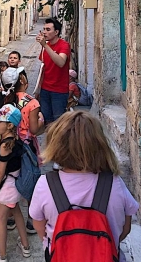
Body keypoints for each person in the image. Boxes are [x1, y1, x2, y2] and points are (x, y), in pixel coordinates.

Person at [29, 111, 139, 262]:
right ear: (100, 145)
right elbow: (125, 229)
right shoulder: (114, 184)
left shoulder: (45, 185)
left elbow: (39, 226)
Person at [3, 66, 44, 233]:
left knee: (12, 178)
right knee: (30, 179)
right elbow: (34, 130)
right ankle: (30, 220)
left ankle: (11, 217)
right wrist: (43, 123)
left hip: (10, 145)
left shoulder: (7, 100)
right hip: (26, 147)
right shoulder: (32, 103)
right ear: (22, 81)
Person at [0, 104, 31, 262]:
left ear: (10, 125)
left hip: (7, 186)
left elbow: (0, 172)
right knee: (18, 213)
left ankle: (2, 254)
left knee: (1, 219)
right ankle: (25, 247)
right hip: (16, 184)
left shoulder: (5, 146)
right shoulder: (16, 139)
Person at [35, 18, 71, 124]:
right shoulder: (46, 46)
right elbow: (43, 68)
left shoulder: (64, 45)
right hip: (45, 90)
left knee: (59, 123)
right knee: (46, 121)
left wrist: (45, 45)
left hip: (59, 91)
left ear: (56, 32)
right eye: (44, 29)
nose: (45, 32)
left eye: (48, 29)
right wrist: (38, 90)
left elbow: (61, 62)